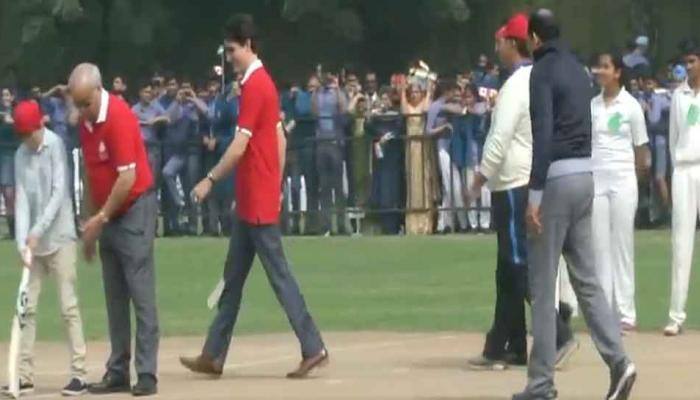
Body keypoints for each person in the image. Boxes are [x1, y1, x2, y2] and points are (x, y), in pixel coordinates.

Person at [180, 13, 327, 379]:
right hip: (253, 198)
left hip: (256, 201)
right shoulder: (259, 84)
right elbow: (278, 137)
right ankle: (213, 354)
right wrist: (272, 185)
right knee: (232, 280)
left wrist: (210, 180)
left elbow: (239, 146)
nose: (229, 57)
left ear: (248, 46)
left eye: (232, 50)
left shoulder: (256, 85)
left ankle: (313, 346)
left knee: (279, 276)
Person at [513, 9, 636, 400]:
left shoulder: (542, 72)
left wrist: (534, 195)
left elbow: (543, 132)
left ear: (533, 39)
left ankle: (541, 383)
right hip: (587, 176)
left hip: (557, 180)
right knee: (587, 281)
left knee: (543, 284)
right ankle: (619, 360)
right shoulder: (579, 72)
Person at [467, 14, 574, 371]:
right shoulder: (536, 78)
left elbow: (500, 136)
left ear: (513, 44)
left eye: (500, 42)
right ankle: (505, 343)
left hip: (512, 182)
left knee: (517, 264)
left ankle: (558, 333)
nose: (496, 48)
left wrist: (480, 176)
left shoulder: (516, 84)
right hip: (521, 179)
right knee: (506, 268)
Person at [68, 63, 159, 396]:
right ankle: (118, 369)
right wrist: (89, 221)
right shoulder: (86, 123)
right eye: (76, 105)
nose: (80, 111)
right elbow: (92, 176)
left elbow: (127, 178)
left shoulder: (118, 117)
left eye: (84, 103)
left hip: (134, 208)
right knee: (114, 295)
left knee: (140, 289)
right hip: (108, 212)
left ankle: (146, 373)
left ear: (98, 91)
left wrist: (100, 219)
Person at [7, 100, 87, 397]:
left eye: (30, 133)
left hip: (61, 238)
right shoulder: (20, 155)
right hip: (34, 245)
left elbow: (58, 193)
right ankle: (24, 375)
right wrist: (22, 242)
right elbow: (24, 199)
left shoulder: (56, 146)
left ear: (40, 125)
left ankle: (79, 373)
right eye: (23, 135)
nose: (27, 139)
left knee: (68, 307)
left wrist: (37, 232)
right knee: (26, 308)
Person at [590, 52, 650, 334]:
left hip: (623, 180)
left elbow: (641, 149)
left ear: (617, 72)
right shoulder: (592, 105)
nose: (598, 71)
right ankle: (604, 313)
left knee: (621, 246)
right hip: (597, 180)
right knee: (600, 248)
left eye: (604, 67)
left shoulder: (631, 106)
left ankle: (627, 313)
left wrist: (634, 178)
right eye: (597, 66)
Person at [665, 39, 700, 337]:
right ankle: (676, 315)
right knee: (681, 243)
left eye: (693, 61)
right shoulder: (679, 96)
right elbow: (674, 136)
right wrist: (675, 170)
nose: (688, 67)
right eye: (685, 62)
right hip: (684, 170)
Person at [427, 80, 467, 233]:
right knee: (451, 187)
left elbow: (460, 109)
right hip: (442, 149)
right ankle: (456, 223)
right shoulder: (436, 106)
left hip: (452, 149)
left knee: (451, 186)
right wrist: (443, 127)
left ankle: (445, 224)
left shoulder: (447, 106)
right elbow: (428, 130)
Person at [312, 71, 348, 235]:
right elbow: (314, 112)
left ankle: (341, 224)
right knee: (324, 187)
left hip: (335, 142)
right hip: (321, 143)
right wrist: (316, 90)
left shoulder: (337, 94)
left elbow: (344, 109)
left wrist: (337, 87)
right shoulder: (318, 95)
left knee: (338, 187)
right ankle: (326, 225)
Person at [401, 79, 436, 235]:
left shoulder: (422, 105)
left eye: (417, 92)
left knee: (424, 179)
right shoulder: (409, 107)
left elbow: (426, 108)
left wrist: (428, 91)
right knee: (412, 180)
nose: (415, 95)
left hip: (422, 145)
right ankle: (413, 223)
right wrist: (402, 91)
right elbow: (404, 111)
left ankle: (425, 222)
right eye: (412, 92)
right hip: (411, 145)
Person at [369, 87, 405, 234]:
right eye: (382, 99)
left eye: (386, 99)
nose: (384, 102)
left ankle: (394, 226)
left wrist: (387, 136)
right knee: (381, 192)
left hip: (393, 156)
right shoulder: (377, 117)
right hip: (380, 158)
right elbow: (368, 128)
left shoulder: (396, 115)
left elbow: (399, 129)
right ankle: (385, 226)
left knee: (392, 191)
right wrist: (371, 116)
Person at [641, 74, 672, 223]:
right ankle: (653, 213)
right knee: (649, 178)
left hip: (659, 141)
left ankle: (667, 212)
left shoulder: (661, 99)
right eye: (646, 84)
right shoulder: (641, 100)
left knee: (660, 177)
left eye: (651, 83)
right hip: (647, 143)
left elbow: (671, 108)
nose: (648, 87)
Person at [0, 87, 18, 239]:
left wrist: (11, 120)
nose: (4, 98)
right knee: (5, 192)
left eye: (7, 95)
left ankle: (15, 229)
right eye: (2, 95)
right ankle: (11, 229)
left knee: (10, 192)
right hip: (1, 153)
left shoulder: (17, 112)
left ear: (12, 97)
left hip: (11, 153)